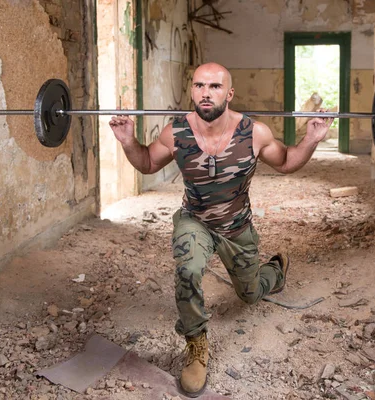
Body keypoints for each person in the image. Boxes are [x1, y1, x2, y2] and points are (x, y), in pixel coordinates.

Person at [109, 62, 333, 397]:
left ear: (229, 94)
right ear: (192, 91)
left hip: (237, 227)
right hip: (195, 220)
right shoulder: (176, 132)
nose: (206, 93)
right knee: (188, 270)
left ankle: (275, 271)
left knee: (250, 293)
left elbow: (286, 162)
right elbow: (147, 162)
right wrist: (128, 141)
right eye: (199, 86)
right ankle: (196, 344)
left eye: (214, 87)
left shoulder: (254, 132)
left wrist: (312, 138)